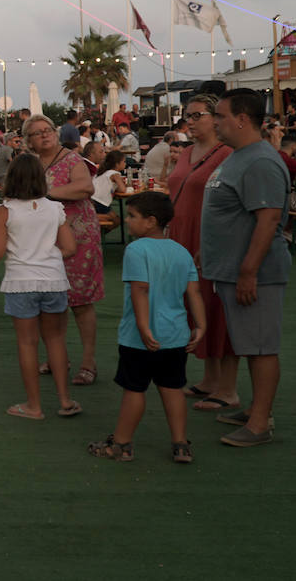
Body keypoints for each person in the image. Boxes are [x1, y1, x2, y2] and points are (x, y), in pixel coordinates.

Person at [89, 192, 207, 463]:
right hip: (175, 336)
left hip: (139, 339)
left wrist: (143, 328)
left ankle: (121, 444)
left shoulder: (136, 250)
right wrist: (200, 325)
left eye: (132, 216)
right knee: (173, 388)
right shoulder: (181, 251)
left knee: (135, 389)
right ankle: (180, 444)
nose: (127, 221)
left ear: (150, 221)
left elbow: (140, 290)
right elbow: (194, 293)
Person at [204, 88, 291, 447]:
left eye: (221, 116)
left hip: (255, 273)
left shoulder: (259, 161)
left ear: (242, 119)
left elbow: (269, 218)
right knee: (250, 345)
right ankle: (258, 409)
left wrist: (248, 271)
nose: (215, 122)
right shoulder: (240, 156)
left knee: (260, 346)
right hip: (233, 269)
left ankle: (259, 423)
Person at [0, 152, 81, 421]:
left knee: (27, 343)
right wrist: (46, 257)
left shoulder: (4, 211)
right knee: (56, 340)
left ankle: (34, 406)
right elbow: (70, 247)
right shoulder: (54, 209)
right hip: (53, 280)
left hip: (20, 282)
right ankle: (65, 399)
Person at [165, 94, 239, 411]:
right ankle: (210, 379)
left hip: (208, 237)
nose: (190, 121)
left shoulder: (228, 154)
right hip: (182, 235)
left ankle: (228, 388)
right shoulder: (185, 152)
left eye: (197, 115)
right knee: (197, 308)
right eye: (188, 116)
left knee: (217, 306)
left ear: (215, 117)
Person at [24, 114, 104, 386]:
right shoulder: (30, 164)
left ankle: (88, 362)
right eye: (37, 133)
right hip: (44, 239)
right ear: (30, 141)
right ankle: (58, 357)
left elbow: (85, 187)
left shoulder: (71, 159)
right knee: (49, 302)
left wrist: (46, 192)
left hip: (78, 236)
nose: (45, 135)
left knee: (80, 301)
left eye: (48, 130)